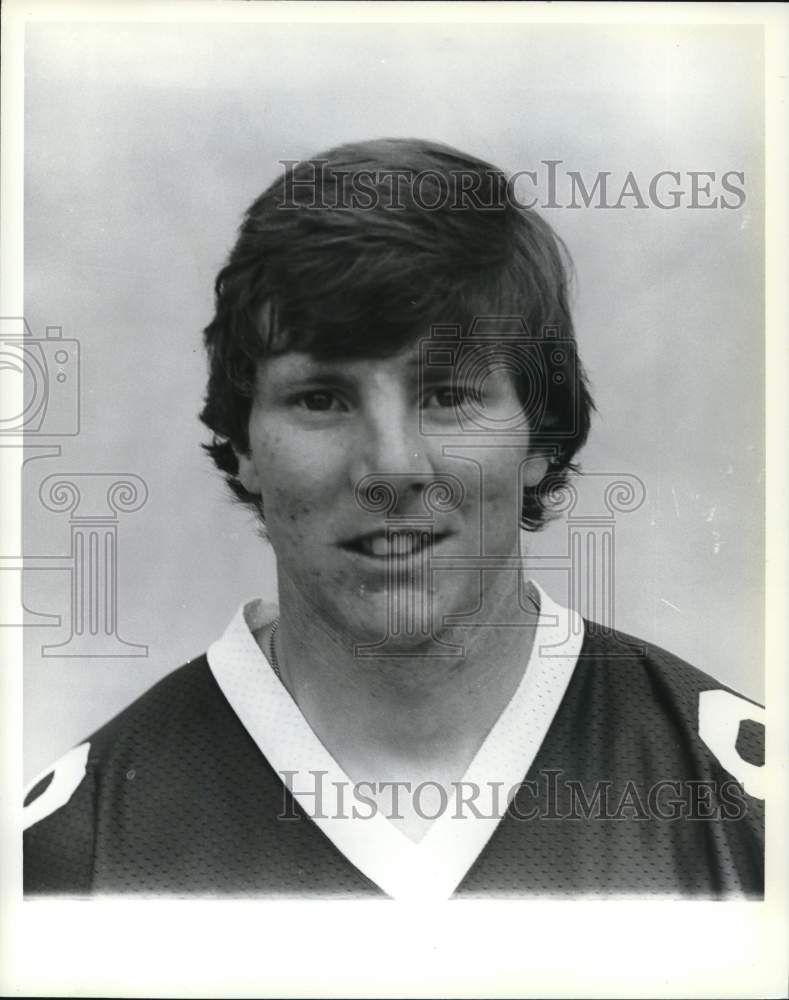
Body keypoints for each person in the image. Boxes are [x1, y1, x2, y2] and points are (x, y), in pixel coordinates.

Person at [23, 139, 764, 899]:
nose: (391, 469)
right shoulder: (68, 854)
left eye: (446, 395)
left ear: (539, 438)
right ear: (244, 443)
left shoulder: (749, 809)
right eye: (321, 399)